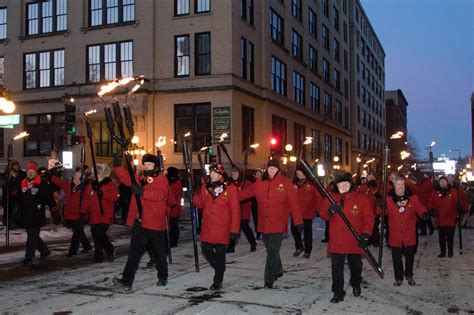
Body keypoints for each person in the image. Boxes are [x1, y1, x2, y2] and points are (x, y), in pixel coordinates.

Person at [113, 153, 170, 290]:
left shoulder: (162, 179)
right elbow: (127, 178)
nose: (146, 167)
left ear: (155, 166)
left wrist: (142, 192)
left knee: (159, 252)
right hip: (140, 221)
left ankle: (163, 276)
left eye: (149, 165)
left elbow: (159, 195)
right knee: (134, 252)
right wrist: (118, 166)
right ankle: (127, 280)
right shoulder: (140, 177)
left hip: (155, 221)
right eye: (145, 165)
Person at [320, 172, 374, 303]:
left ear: (350, 184)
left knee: (356, 265)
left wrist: (366, 235)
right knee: (336, 267)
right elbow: (322, 213)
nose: (343, 186)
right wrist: (330, 211)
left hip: (355, 239)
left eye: (346, 183)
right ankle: (338, 292)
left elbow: (369, 218)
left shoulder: (361, 199)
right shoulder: (331, 197)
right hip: (337, 239)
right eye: (340, 184)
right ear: (336, 185)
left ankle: (356, 282)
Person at [249, 158, 303, 289]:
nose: (271, 170)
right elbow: (245, 194)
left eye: (274, 168)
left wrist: (298, 221)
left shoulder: (286, 183)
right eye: (269, 168)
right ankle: (278, 270)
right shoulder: (261, 183)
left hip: (278, 223)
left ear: (278, 169)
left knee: (272, 251)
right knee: (270, 248)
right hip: (264, 223)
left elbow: (294, 204)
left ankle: (269, 279)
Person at [192, 163, 240, 290]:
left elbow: (235, 210)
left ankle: (218, 280)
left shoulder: (230, 188)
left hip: (222, 226)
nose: (212, 175)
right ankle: (220, 267)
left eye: (214, 173)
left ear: (220, 174)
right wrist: (194, 194)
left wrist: (234, 229)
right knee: (205, 249)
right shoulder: (206, 187)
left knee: (220, 253)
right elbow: (201, 204)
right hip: (208, 225)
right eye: (211, 172)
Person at [379, 175, 428, 286]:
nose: (400, 187)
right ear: (394, 186)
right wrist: (381, 206)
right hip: (395, 234)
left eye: (402, 185)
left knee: (410, 257)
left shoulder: (412, 197)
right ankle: (398, 277)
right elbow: (379, 212)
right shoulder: (389, 199)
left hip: (409, 234)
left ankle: (409, 275)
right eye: (398, 185)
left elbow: (419, 207)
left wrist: (423, 213)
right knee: (396, 258)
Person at [50, 166, 92, 257]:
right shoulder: (69, 185)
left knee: (77, 234)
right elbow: (59, 182)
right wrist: (50, 176)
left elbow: (87, 201)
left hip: (79, 214)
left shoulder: (85, 189)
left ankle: (72, 251)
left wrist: (84, 212)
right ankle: (87, 246)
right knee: (78, 232)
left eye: (77, 176)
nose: (74, 177)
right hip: (71, 214)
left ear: (82, 179)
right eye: (75, 175)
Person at [20, 162, 55, 266]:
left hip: (37, 214)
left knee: (31, 236)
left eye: (32, 171)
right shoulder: (23, 183)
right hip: (26, 214)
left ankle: (29, 257)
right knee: (33, 235)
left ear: (35, 172)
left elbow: (47, 196)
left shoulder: (42, 183)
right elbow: (19, 196)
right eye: (28, 171)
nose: (30, 173)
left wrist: (53, 207)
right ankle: (44, 250)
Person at [82, 164, 119, 263]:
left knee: (99, 233)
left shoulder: (109, 184)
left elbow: (115, 197)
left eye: (98, 174)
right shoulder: (91, 186)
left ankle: (110, 249)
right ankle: (98, 256)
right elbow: (86, 199)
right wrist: (83, 211)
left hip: (105, 214)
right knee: (96, 236)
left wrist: (103, 194)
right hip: (94, 215)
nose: (96, 176)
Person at [429, 176, 467, 258]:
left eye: (444, 181)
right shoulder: (434, 192)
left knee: (450, 237)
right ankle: (442, 252)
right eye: (441, 181)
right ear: (439, 183)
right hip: (440, 218)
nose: (442, 182)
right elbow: (430, 202)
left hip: (450, 218)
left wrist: (460, 207)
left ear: (447, 182)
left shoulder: (453, 191)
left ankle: (450, 251)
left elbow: (458, 202)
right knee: (441, 238)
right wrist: (431, 209)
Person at [291, 167, 322, 258]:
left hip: (307, 213)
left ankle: (308, 250)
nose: (300, 173)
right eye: (298, 172)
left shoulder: (312, 184)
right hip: (295, 213)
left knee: (307, 233)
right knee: (295, 231)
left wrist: (317, 209)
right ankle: (299, 247)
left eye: (301, 172)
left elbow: (318, 198)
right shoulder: (294, 184)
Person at [227, 166, 257, 253]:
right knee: (232, 229)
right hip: (232, 211)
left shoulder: (246, 183)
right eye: (232, 173)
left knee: (244, 227)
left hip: (243, 209)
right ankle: (231, 246)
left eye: (236, 173)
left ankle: (253, 243)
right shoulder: (229, 183)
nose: (234, 174)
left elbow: (251, 193)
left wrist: (243, 192)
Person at [2, 160, 26, 228]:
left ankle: (19, 222)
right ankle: (8, 223)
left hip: (19, 195)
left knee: (19, 210)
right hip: (9, 197)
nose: (16, 167)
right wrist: (11, 177)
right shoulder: (7, 174)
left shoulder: (21, 173)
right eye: (14, 165)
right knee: (10, 209)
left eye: (17, 165)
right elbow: (6, 186)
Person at [166, 167, 183, 248]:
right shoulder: (172, 181)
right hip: (170, 208)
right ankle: (170, 240)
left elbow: (174, 195)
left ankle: (173, 241)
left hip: (174, 208)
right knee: (170, 225)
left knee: (173, 225)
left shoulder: (176, 182)